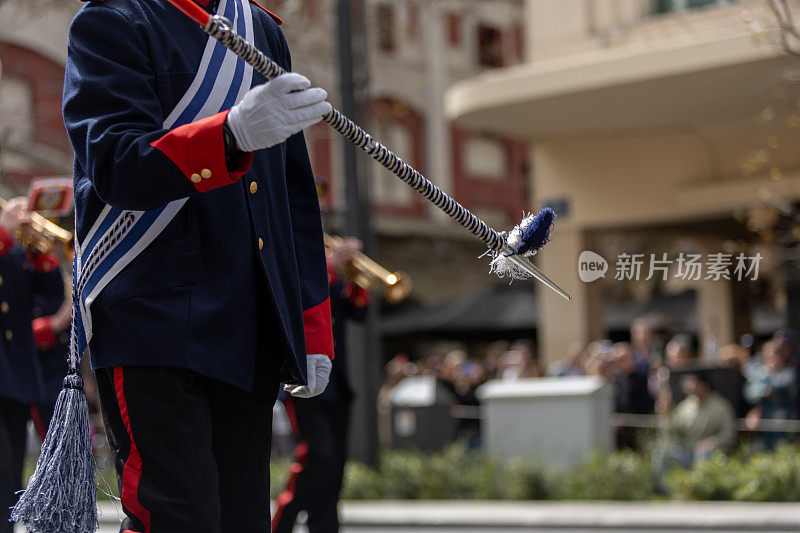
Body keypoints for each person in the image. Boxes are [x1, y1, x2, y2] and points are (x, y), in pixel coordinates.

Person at [63, 0, 334, 530]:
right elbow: (116, 164)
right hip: (153, 311)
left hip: (247, 317)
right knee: (176, 517)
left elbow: (291, 192)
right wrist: (228, 134)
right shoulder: (112, 19)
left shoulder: (257, 27)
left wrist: (310, 323)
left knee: (242, 519)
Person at [272, 237, 369, 533]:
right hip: (304, 378)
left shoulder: (335, 268)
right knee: (318, 456)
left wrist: (355, 278)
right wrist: (331, 266)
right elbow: (300, 293)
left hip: (337, 382)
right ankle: (282, 523)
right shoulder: (301, 248)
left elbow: (359, 313)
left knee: (335, 466)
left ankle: (324, 528)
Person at [0, 198, 63, 533]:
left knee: (10, 477)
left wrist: (39, 252)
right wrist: (4, 232)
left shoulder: (12, 253)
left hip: (14, 379)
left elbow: (50, 297)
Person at [653, 373, 736, 489]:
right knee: (662, 453)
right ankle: (665, 491)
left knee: (703, 453)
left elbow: (728, 434)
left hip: (710, 453)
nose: (690, 387)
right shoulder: (685, 407)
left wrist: (713, 442)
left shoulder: (721, 406)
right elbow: (674, 431)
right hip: (687, 453)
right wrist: (667, 415)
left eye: (694, 383)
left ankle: (701, 490)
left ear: (704, 385)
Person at [744, 339, 796, 449]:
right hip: (762, 423)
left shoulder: (788, 373)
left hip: (782, 422)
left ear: (780, 356)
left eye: (772, 355)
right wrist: (765, 388)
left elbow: (780, 388)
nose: (769, 358)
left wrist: (765, 386)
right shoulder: (760, 373)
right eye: (766, 355)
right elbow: (749, 394)